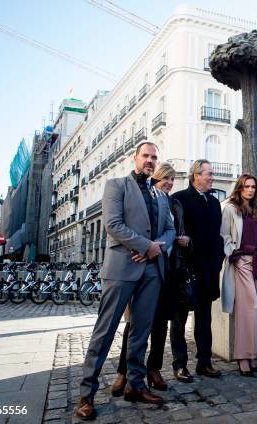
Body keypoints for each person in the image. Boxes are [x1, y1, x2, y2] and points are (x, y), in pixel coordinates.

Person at [76, 142, 176, 421]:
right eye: (146, 155)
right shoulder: (116, 185)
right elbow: (113, 225)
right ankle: (86, 395)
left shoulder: (160, 195)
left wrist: (157, 246)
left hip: (153, 271)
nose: (150, 160)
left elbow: (170, 229)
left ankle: (135, 385)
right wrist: (147, 246)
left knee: (140, 332)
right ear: (135, 158)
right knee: (105, 331)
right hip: (122, 268)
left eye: (154, 157)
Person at [111, 163, 192, 396]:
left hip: (169, 269)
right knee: (135, 323)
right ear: (155, 179)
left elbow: (176, 231)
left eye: (172, 179)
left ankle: (154, 369)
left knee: (160, 323)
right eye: (164, 178)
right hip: (139, 263)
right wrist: (146, 248)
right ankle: (123, 372)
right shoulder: (143, 198)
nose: (168, 182)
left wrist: (184, 240)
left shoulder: (175, 204)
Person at [171, 160, 225, 378]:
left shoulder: (214, 203)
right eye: (208, 174)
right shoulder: (179, 200)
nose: (212, 177)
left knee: (205, 318)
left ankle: (204, 361)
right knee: (179, 319)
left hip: (208, 270)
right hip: (185, 269)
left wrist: (218, 260)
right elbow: (174, 234)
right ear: (195, 175)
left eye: (211, 174)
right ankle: (179, 364)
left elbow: (217, 236)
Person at [221, 173, 257, 376]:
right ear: (239, 188)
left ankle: (254, 354)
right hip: (242, 262)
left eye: (253, 186)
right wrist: (233, 252)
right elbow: (224, 236)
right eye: (246, 186)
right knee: (248, 307)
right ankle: (243, 356)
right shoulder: (230, 209)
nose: (250, 190)